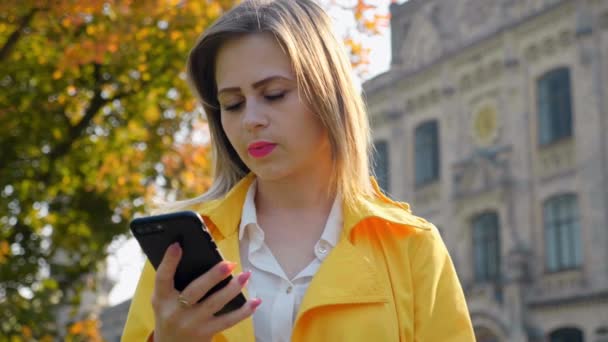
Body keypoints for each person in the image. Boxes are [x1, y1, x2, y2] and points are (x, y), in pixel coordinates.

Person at [122, 0, 475, 340]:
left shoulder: (411, 246)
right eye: (232, 104)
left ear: (329, 94)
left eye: (274, 94)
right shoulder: (179, 250)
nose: (251, 120)